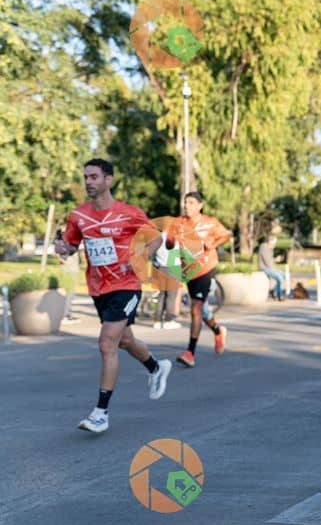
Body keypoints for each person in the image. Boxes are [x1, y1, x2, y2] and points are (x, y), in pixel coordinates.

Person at [54, 159, 172, 434]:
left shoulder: (128, 213)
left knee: (107, 343)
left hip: (127, 285)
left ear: (108, 180)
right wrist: (63, 248)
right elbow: (70, 246)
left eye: (94, 176)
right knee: (125, 340)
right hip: (98, 288)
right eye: (86, 177)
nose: (88, 181)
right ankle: (156, 368)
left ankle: (101, 413)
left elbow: (156, 237)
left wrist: (141, 256)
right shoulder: (78, 216)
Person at [167, 191, 231, 368]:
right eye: (186, 202)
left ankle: (190, 353)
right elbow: (168, 244)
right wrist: (171, 242)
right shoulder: (177, 223)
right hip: (189, 271)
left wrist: (213, 244)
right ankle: (218, 330)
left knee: (195, 308)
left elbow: (226, 235)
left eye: (191, 203)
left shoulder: (210, 222)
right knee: (201, 310)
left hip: (206, 268)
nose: (187, 206)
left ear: (200, 206)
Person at [258, 234, 285, 301]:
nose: (275, 244)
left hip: (269, 268)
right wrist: (276, 259)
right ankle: (280, 295)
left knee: (283, 274)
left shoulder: (270, 248)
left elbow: (271, 263)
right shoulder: (264, 247)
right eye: (274, 242)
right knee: (280, 277)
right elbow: (268, 262)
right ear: (270, 242)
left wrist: (276, 268)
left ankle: (273, 291)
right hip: (264, 268)